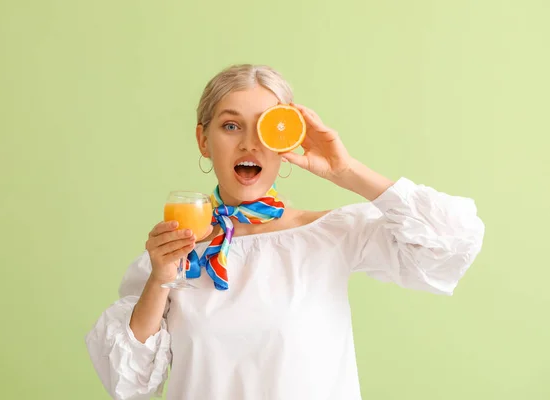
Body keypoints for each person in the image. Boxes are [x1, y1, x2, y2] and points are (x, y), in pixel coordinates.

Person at [85, 64, 485, 400]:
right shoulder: (174, 258)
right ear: (203, 140)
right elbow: (129, 383)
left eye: (266, 128)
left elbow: (451, 241)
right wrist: (160, 279)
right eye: (230, 126)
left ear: (286, 140)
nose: (249, 145)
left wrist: (346, 171)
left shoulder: (328, 235)